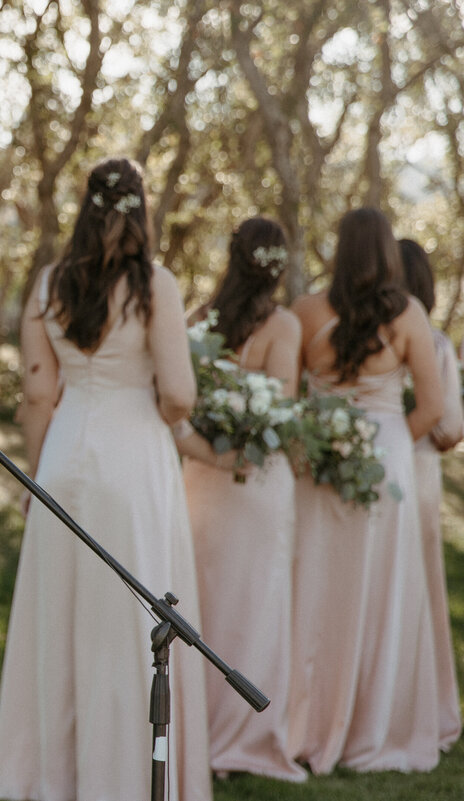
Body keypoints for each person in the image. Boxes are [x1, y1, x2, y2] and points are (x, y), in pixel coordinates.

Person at [0, 158, 211, 801]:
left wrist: (36, 482)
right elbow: (178, 394)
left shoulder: (50, 282)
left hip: (63, 458)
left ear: (85, 208)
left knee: (58, 619)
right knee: (132, 620)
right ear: (142, 209)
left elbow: (37, 393)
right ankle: (125, 778)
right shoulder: (154, 284)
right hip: (134, 457)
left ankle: (52, 776)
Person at [287, 207, 443, 775]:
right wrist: (384, 445)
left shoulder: (305, 311)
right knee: (381, 594)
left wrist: (324, 440)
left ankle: (305, 720)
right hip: (388, 469)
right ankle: (370, 726)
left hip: (320, 464)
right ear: (384, 252)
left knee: (318, 591)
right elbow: (432, 408)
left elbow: (289, 397)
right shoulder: (408, 314)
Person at [176, 217, 307, 781]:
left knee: (205, 600)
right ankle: (238, 738)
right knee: (253, 606)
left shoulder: (197, 318)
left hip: (203, 472)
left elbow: (180, 392)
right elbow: (283, 410)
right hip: (253, 480)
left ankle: (194, 730)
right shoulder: (283, 325)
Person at [398, 237, 463, 752]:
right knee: (416, 587)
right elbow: (450, 430)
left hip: (382, 468)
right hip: (416, 470)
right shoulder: (436, 344)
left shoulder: (368, 337)